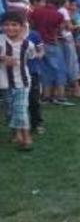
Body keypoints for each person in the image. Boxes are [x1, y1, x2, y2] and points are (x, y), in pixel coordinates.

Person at [0, 11, 37, 151]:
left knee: (20, 109)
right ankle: (16, 133)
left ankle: (26, 137)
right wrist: (3, 58)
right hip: (4, 82)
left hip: (22, 82)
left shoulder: (28, 44)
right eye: (6, 25)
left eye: (14, 25)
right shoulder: (1, 40)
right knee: (10, 110)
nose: (10, 28)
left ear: (22, 27)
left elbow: (33, 56)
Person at [29, 0, 74, 106]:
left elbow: (32, 24)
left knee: (45, 70)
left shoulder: (36, 11)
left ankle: (45, 96)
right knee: (59, 69)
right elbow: (60, 29)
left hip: (38, 43)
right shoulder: (58, 15)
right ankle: (60, 96)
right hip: (51, 42)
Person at [24, 19, 45, 134]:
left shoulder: (34, 35)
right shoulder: (7, 35)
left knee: (33, 99)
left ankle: (37, 123)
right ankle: (20, 127)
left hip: (32, 71)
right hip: (16, 72)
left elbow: (42, 51)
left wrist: (36, 55)